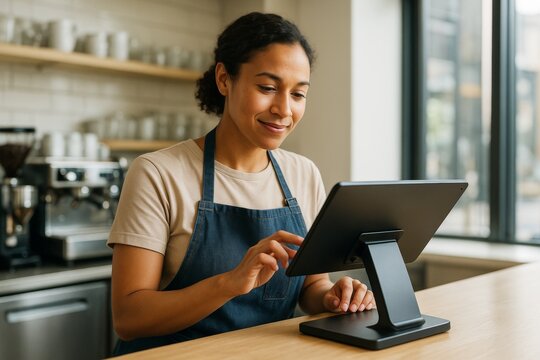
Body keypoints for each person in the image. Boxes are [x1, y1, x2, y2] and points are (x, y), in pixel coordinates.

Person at [108, 12, 375, 355]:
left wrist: (333, 297)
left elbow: (312, 285)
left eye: (298, 94)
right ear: (224, 79)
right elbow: (129, 318)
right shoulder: (158, 173)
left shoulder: (302, 174)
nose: (283, 109)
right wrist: (230, 284)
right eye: (267, 88)